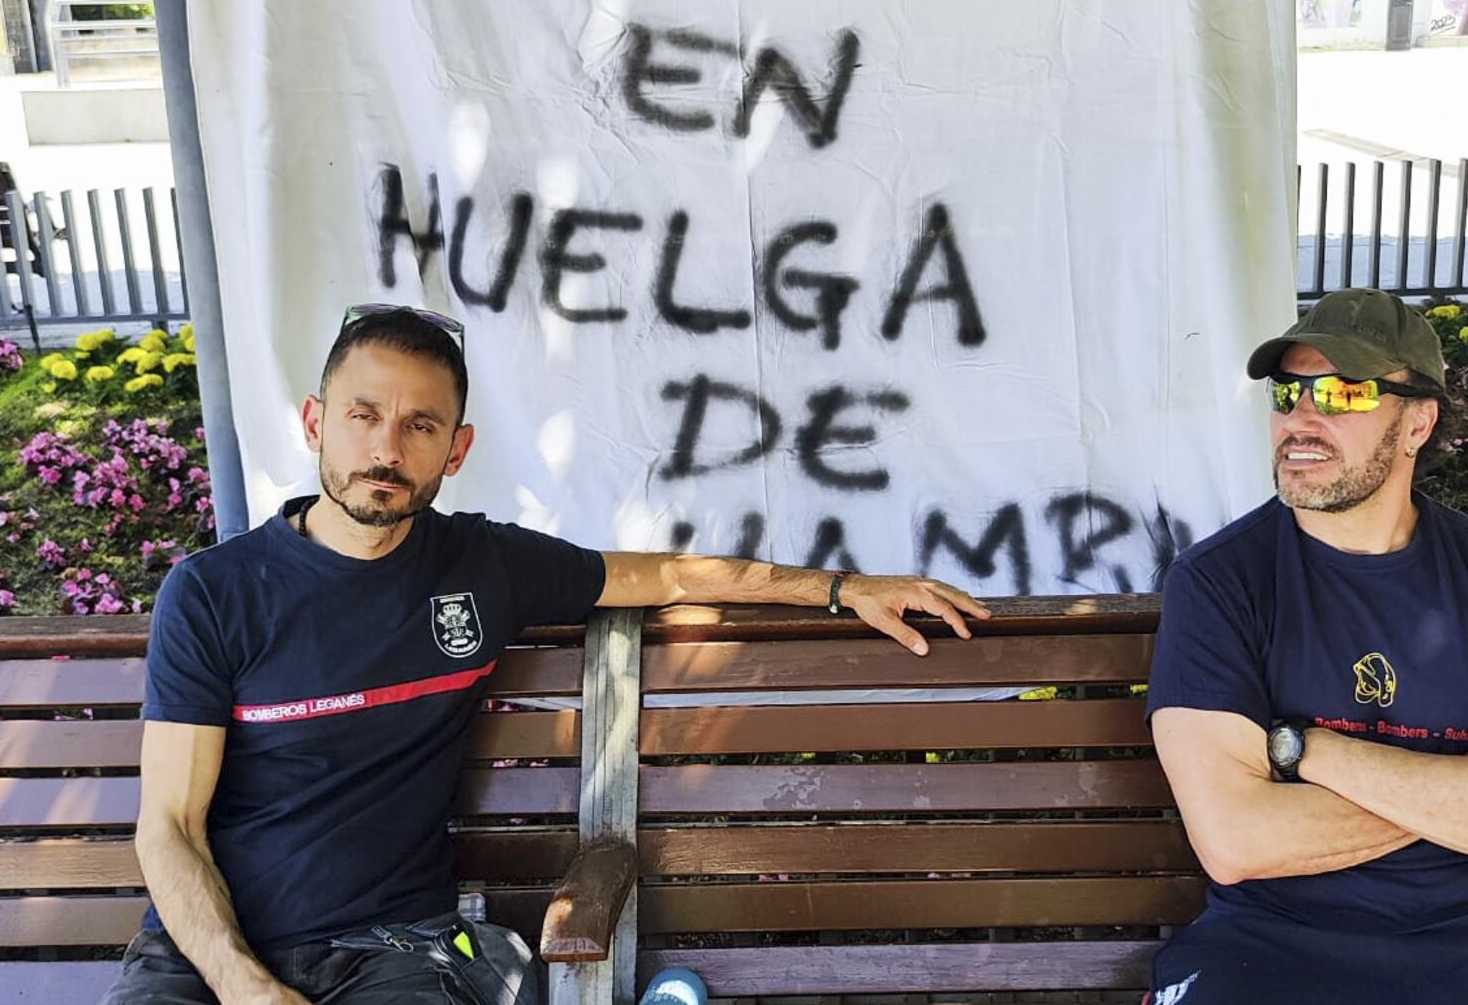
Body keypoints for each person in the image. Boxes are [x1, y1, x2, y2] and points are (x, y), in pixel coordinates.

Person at [102, 304, 989, 1005]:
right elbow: (170, 827)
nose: (384, 446)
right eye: (362, 414)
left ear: (458, 447)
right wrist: (244, 984)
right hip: (207, 952)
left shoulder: (481, 565)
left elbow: (673, 575)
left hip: (396, 949)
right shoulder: (215, 591)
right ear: (313, 421)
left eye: (419, 425)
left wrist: (840, 589)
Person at [1144, 288, 1468, 1004]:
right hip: (1274, 945)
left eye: (1343, 391)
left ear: (1418, 421)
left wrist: (1312, 752)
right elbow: (1237, 840)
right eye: (1287, 391)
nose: (1302, 417)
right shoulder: (1217, 582)